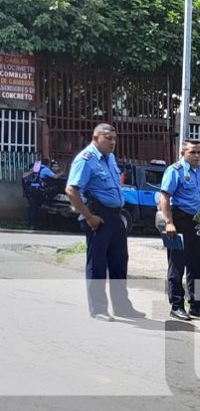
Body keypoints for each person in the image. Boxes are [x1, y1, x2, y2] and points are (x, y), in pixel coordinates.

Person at [65, 123, 145, 321]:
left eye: (114, 139)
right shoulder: (86, 160)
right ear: (95, 138)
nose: (113, 142)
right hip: (97, 215)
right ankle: (99, 308)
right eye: (108, 138)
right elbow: (72, 190)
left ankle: (122, 306)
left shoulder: (109, 158)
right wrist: (89, 216)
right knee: (98, 263)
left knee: (119, 261)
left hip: (115, 215)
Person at [159, 139, 200, 321]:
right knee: (177, 264)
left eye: (199, 152)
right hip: (180, 220)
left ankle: (196, 305)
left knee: (197, 265)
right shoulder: (175, 171)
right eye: (193, 152)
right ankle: (176, 305)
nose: (197, 156)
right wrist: (169, 222)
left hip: (199, 222)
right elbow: (165, 197)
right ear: (183, 153)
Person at [26, 158, 58, 229]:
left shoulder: (35, 169)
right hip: (38, 190)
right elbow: (55, 177)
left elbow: (25, 176)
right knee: (38, 208)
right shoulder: (45, 169)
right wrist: (61, 174)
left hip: (31, 189)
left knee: (32, 208)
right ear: (47, 163)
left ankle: (31, 224)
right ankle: (36, 225)